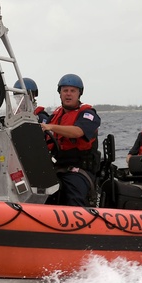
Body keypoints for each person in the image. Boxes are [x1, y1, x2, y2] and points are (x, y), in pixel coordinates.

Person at [43, 73, 101, 206]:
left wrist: (50, 126)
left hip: (78, 169)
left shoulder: (88, 114)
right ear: (60, 93)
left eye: (72, 91)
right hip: (56, 167)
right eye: (65, 90)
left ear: (79, 94)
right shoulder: (55, 115)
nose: (68, 94)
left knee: (73, 196)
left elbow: (78, 132)